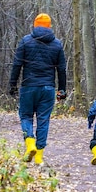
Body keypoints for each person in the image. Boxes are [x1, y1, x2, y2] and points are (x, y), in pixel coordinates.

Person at [8, 13, 67, 165]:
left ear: (35, 25)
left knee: (26, 116)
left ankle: (30, 144)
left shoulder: (26, 41)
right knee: (43, 120)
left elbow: (17, 65)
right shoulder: (57, 44)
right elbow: (61, 70)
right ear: (49, 26)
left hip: (28, 86)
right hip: (48, 88)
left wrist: (12, 85)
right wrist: (62, 90)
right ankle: (39, 157)